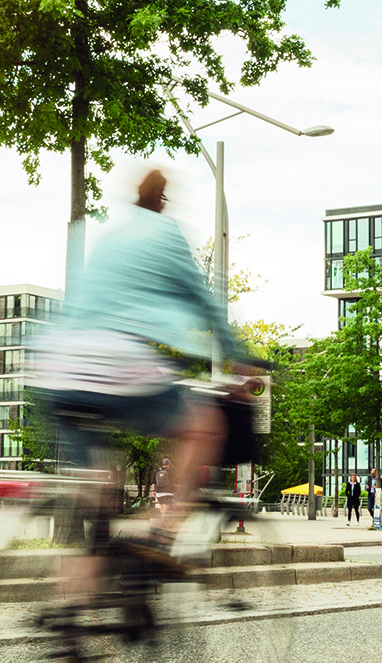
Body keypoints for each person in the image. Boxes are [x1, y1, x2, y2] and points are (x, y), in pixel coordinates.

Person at [33, 168, 249, 574]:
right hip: (115, 361)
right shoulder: (167, 235)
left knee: (97, 493)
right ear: (162, 201)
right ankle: (159, 534)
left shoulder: (110, 238)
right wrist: (238, 358)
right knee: (204, 426)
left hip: (57, 368)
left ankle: (68, 622)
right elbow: (205, 303)